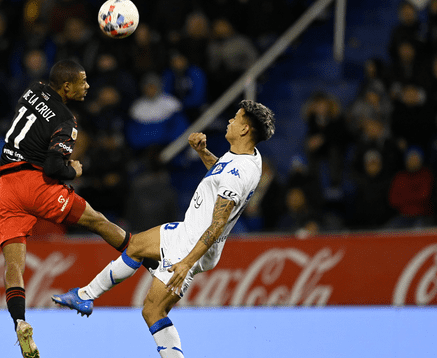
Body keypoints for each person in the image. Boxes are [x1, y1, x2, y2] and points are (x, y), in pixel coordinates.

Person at [52, 100, 275, 357]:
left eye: (236, 118)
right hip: (187, 231)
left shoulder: (240, 172)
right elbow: (220, 175)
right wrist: (203, 152)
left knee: (153, 311)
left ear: (246, 129)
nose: (229, 121)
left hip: (193, 245)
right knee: (135, 246)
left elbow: (217, 225)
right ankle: (85, 295)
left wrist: (186, 263)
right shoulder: (249, 156)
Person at [0, 59, 153, 357]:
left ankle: (20, 322)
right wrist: (74, 170)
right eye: (83, 81)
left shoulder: (31, 90)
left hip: (7, 185)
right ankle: (150, 260)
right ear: (67, 86)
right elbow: (54, 167)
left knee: (13, 266)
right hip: (36, 184)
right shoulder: (66, 121)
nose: (88, 86)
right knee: (97, 220)